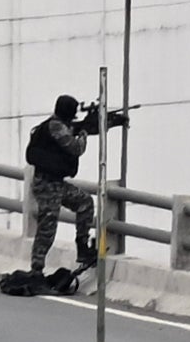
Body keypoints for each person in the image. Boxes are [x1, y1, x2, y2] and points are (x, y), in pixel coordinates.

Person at [21, 94, 120, 288]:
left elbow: (84, 129)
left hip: (56, 183)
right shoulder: (55, 126)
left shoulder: (60, 125)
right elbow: (75, 148)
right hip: (47, 185)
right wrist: (83, 132)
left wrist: (108, 123)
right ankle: (36, 269)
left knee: (85, 203)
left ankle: (82, 247)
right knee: (47, 228)